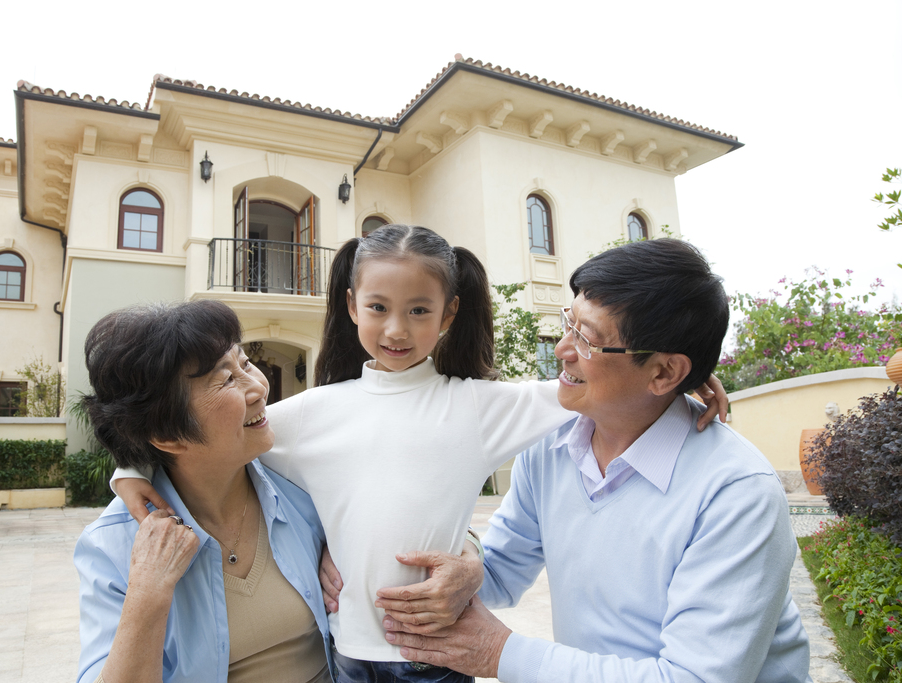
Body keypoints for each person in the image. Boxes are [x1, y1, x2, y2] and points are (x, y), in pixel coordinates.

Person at [113, 226, 728, 683]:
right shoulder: (315, 412)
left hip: (438, 653)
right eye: (377, 308)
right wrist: (132, 467)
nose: (396, 330)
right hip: (347, 653)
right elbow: (212, 437)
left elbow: (601, 389)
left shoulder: (480, 408)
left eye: (418, 311)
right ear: (352, 305)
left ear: (449, 315)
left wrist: (683, 382)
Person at [362, 238, 811, 682]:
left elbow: (694, 678)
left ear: (664, 372)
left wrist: (499, 653)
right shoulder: (555, 440)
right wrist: (402, 563)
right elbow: (497, 569)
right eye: (568, 323)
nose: (562, 349)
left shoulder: (736, 492)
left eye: (587, 339)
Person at [73, 300, 332, 683]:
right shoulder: (114, 546)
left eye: (244, 363)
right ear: (166, 434)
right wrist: (148, 592)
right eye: (226, 380)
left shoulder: (296, 481)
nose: (259, 388)